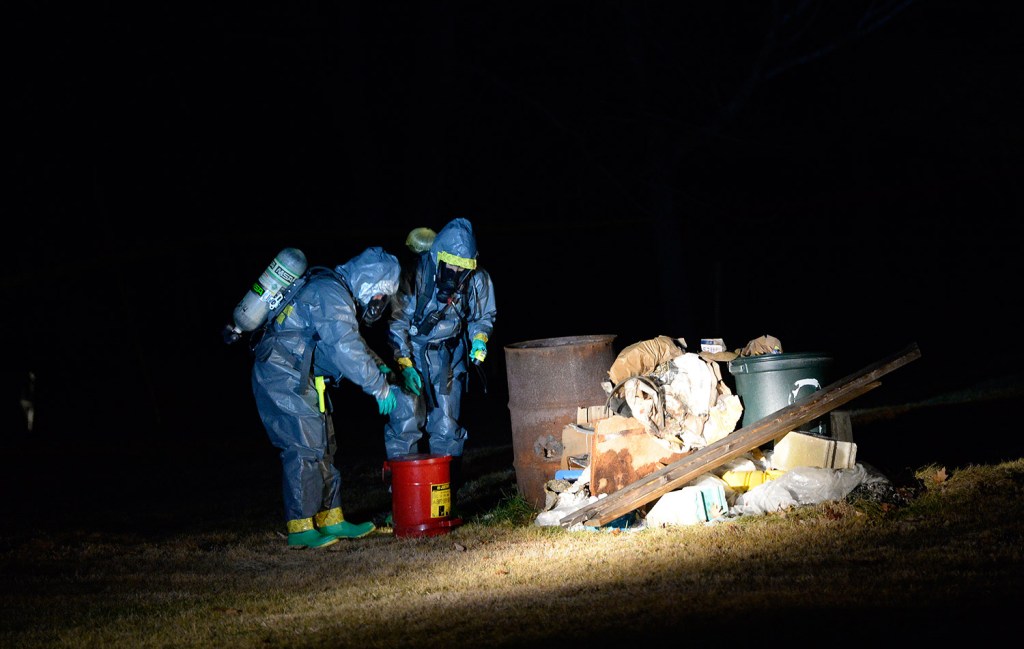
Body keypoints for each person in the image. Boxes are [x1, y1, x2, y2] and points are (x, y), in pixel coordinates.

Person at [251, 246, 402, 549]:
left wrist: (381, 367)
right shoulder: (330, 294)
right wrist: (379, 386)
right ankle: (301, 526)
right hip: (281, 374)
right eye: (381, 294)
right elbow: (345, 348)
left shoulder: (336, 292)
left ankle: (332, 518)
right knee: (304, 447)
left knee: (324, 445)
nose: (379, 302)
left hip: (302, 375)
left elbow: (349, 341)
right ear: (369, 284)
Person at [384, 218, 497, 505]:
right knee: (406, 423)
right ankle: (404, 503)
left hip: (448, 357)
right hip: (412, 355)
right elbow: (397, 323)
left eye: (463, 267)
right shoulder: (414, 276)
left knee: (447, 427)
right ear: (438, 256)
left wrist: (480, 339)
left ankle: (443, 501)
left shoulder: (477, 279)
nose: (456, 272)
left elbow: (482, 315)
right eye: (451, 264)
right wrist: (404, 363)